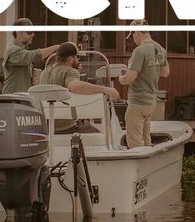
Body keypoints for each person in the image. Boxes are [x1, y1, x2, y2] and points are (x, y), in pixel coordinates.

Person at [38, 41, 120, 133]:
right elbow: (75, 86)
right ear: (70, 59)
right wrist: (105, 89)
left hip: (47, 126)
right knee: (96, 132)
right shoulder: (70, 71)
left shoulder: (45, 72)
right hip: (66, 126)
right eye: (77, 57)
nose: (79, 60)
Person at [119, 20, 169, 148]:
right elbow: (165, 72)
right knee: (146, 138)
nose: (133, 39)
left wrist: (121, 78)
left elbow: (130, 78)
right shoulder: (160, 49)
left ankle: (138, 167)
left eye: (133, 35)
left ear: (138, 32)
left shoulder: (139, 51)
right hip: (151, 101)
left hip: (137, 101)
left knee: (135, 142)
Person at [0, 17, 59, 95]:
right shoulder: (13, 50)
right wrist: (57, 47)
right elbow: (36, 55)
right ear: (18, 32)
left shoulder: (22, 50)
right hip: (12, 99)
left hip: (20, 97)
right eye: (29, 32)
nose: (33, 35)